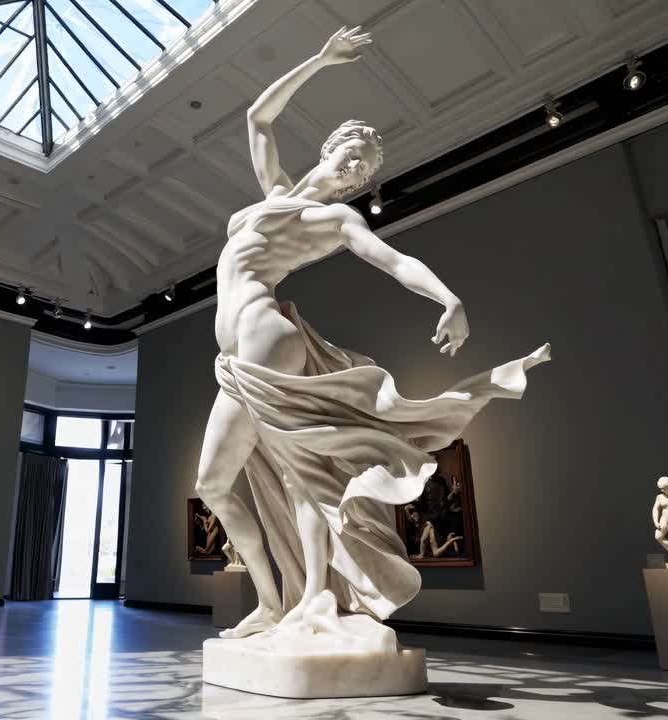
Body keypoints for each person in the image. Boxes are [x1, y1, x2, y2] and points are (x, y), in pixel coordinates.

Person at [196, 26, 551, 639]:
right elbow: (258, 117)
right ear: (330, 148)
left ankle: (305, 597)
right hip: (236, 352)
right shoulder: (277, 193)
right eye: (353, 155)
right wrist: (320, 59)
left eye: (363, 170)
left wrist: (448, 297)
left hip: (263, 337)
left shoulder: (337, 218)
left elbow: (394, 261)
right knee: (220, 483)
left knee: (293, 470)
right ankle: (275, 601)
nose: (355, 170)